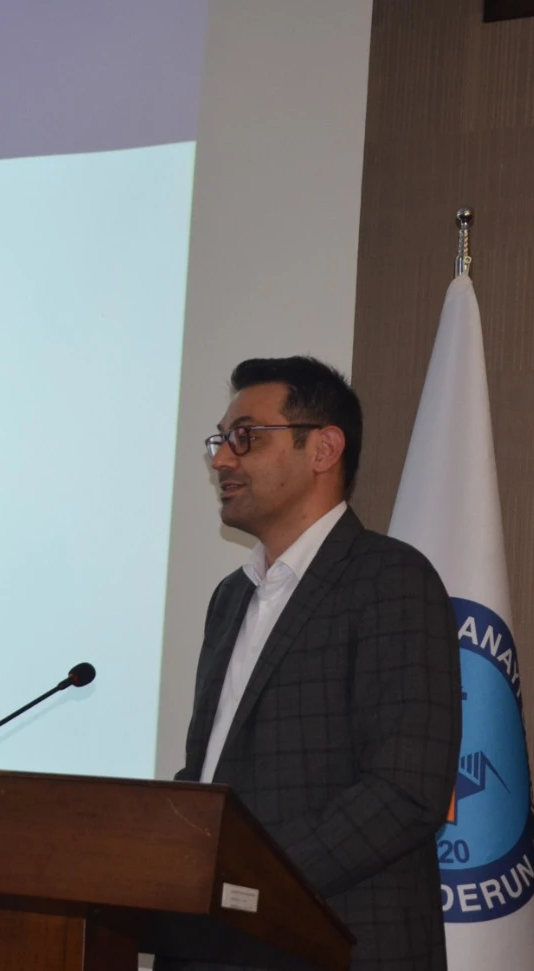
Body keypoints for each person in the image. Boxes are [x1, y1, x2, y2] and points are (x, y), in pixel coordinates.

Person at [165, 356, 461, 971]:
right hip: (213, 945)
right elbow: (212, 775)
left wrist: (244, 875)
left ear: (323, 448)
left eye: (245, 437)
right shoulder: (230, 598)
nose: (221, 460)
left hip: (334, 941)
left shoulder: (391, 579)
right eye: (221, 440)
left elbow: (406, 791)